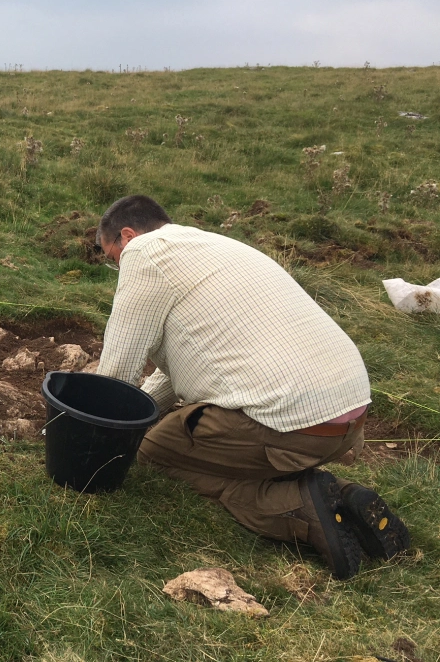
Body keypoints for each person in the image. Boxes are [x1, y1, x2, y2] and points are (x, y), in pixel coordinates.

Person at [94, 194, 410, 579]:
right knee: (213, 439)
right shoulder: (212, 246)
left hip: (292, 425)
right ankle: (342, 497)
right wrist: (146, 406)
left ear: (127, 236)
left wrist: (89, 436)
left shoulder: (145, 253)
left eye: (113, 258)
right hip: (348, 415)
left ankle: (297, 508)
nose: (118, 269)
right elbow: (173, 374)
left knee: (156, 452)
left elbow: (116, 374)